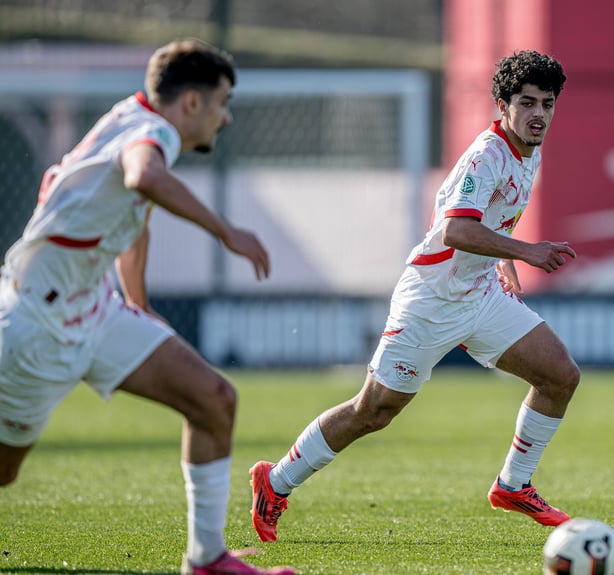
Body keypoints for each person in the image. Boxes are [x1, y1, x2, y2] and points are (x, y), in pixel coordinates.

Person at [248, 50, 579, 542]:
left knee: (559, 376)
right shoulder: (487, 154)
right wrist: (527, 252)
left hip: (480, 294)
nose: (538, 115)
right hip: (431, 300)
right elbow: (455, 231)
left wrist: (505, 262)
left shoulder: (530, 150)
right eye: (527, 103)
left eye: (547, 104)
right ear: (502, 105)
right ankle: (275, 482)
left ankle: (513, 485)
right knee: (374, 411)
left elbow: (494, 218)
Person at [0, 39, 294, 575]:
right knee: (3, 473)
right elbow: (144, 179)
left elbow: (134, 215)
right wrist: (226, 231)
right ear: (191, 104)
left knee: (213, 399)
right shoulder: (152, 133)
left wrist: (137, 305)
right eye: (222, 102)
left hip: (92, 310)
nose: (225, 118)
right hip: (37, 323)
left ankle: (206, 559)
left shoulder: (132, 118)